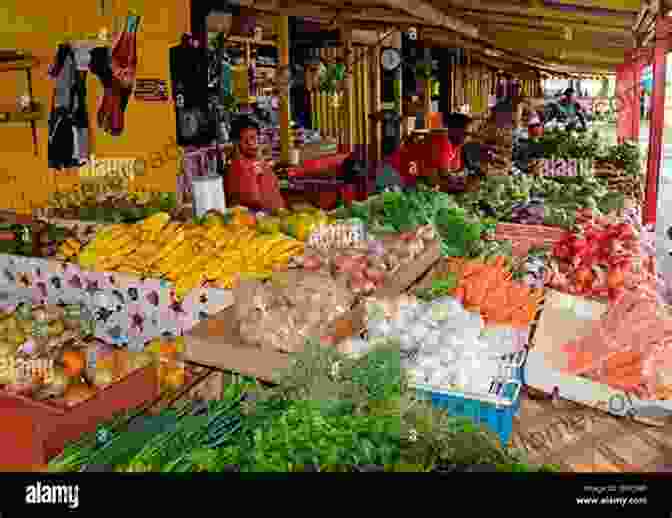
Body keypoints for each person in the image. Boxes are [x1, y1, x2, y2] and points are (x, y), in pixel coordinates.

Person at [224, 115, 286, 211]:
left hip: (277, 216)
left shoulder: (259, 160)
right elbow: (252, 199)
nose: (251, 143)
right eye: (244, 140)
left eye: (253, 138)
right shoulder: (235, 167)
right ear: (236, 142)